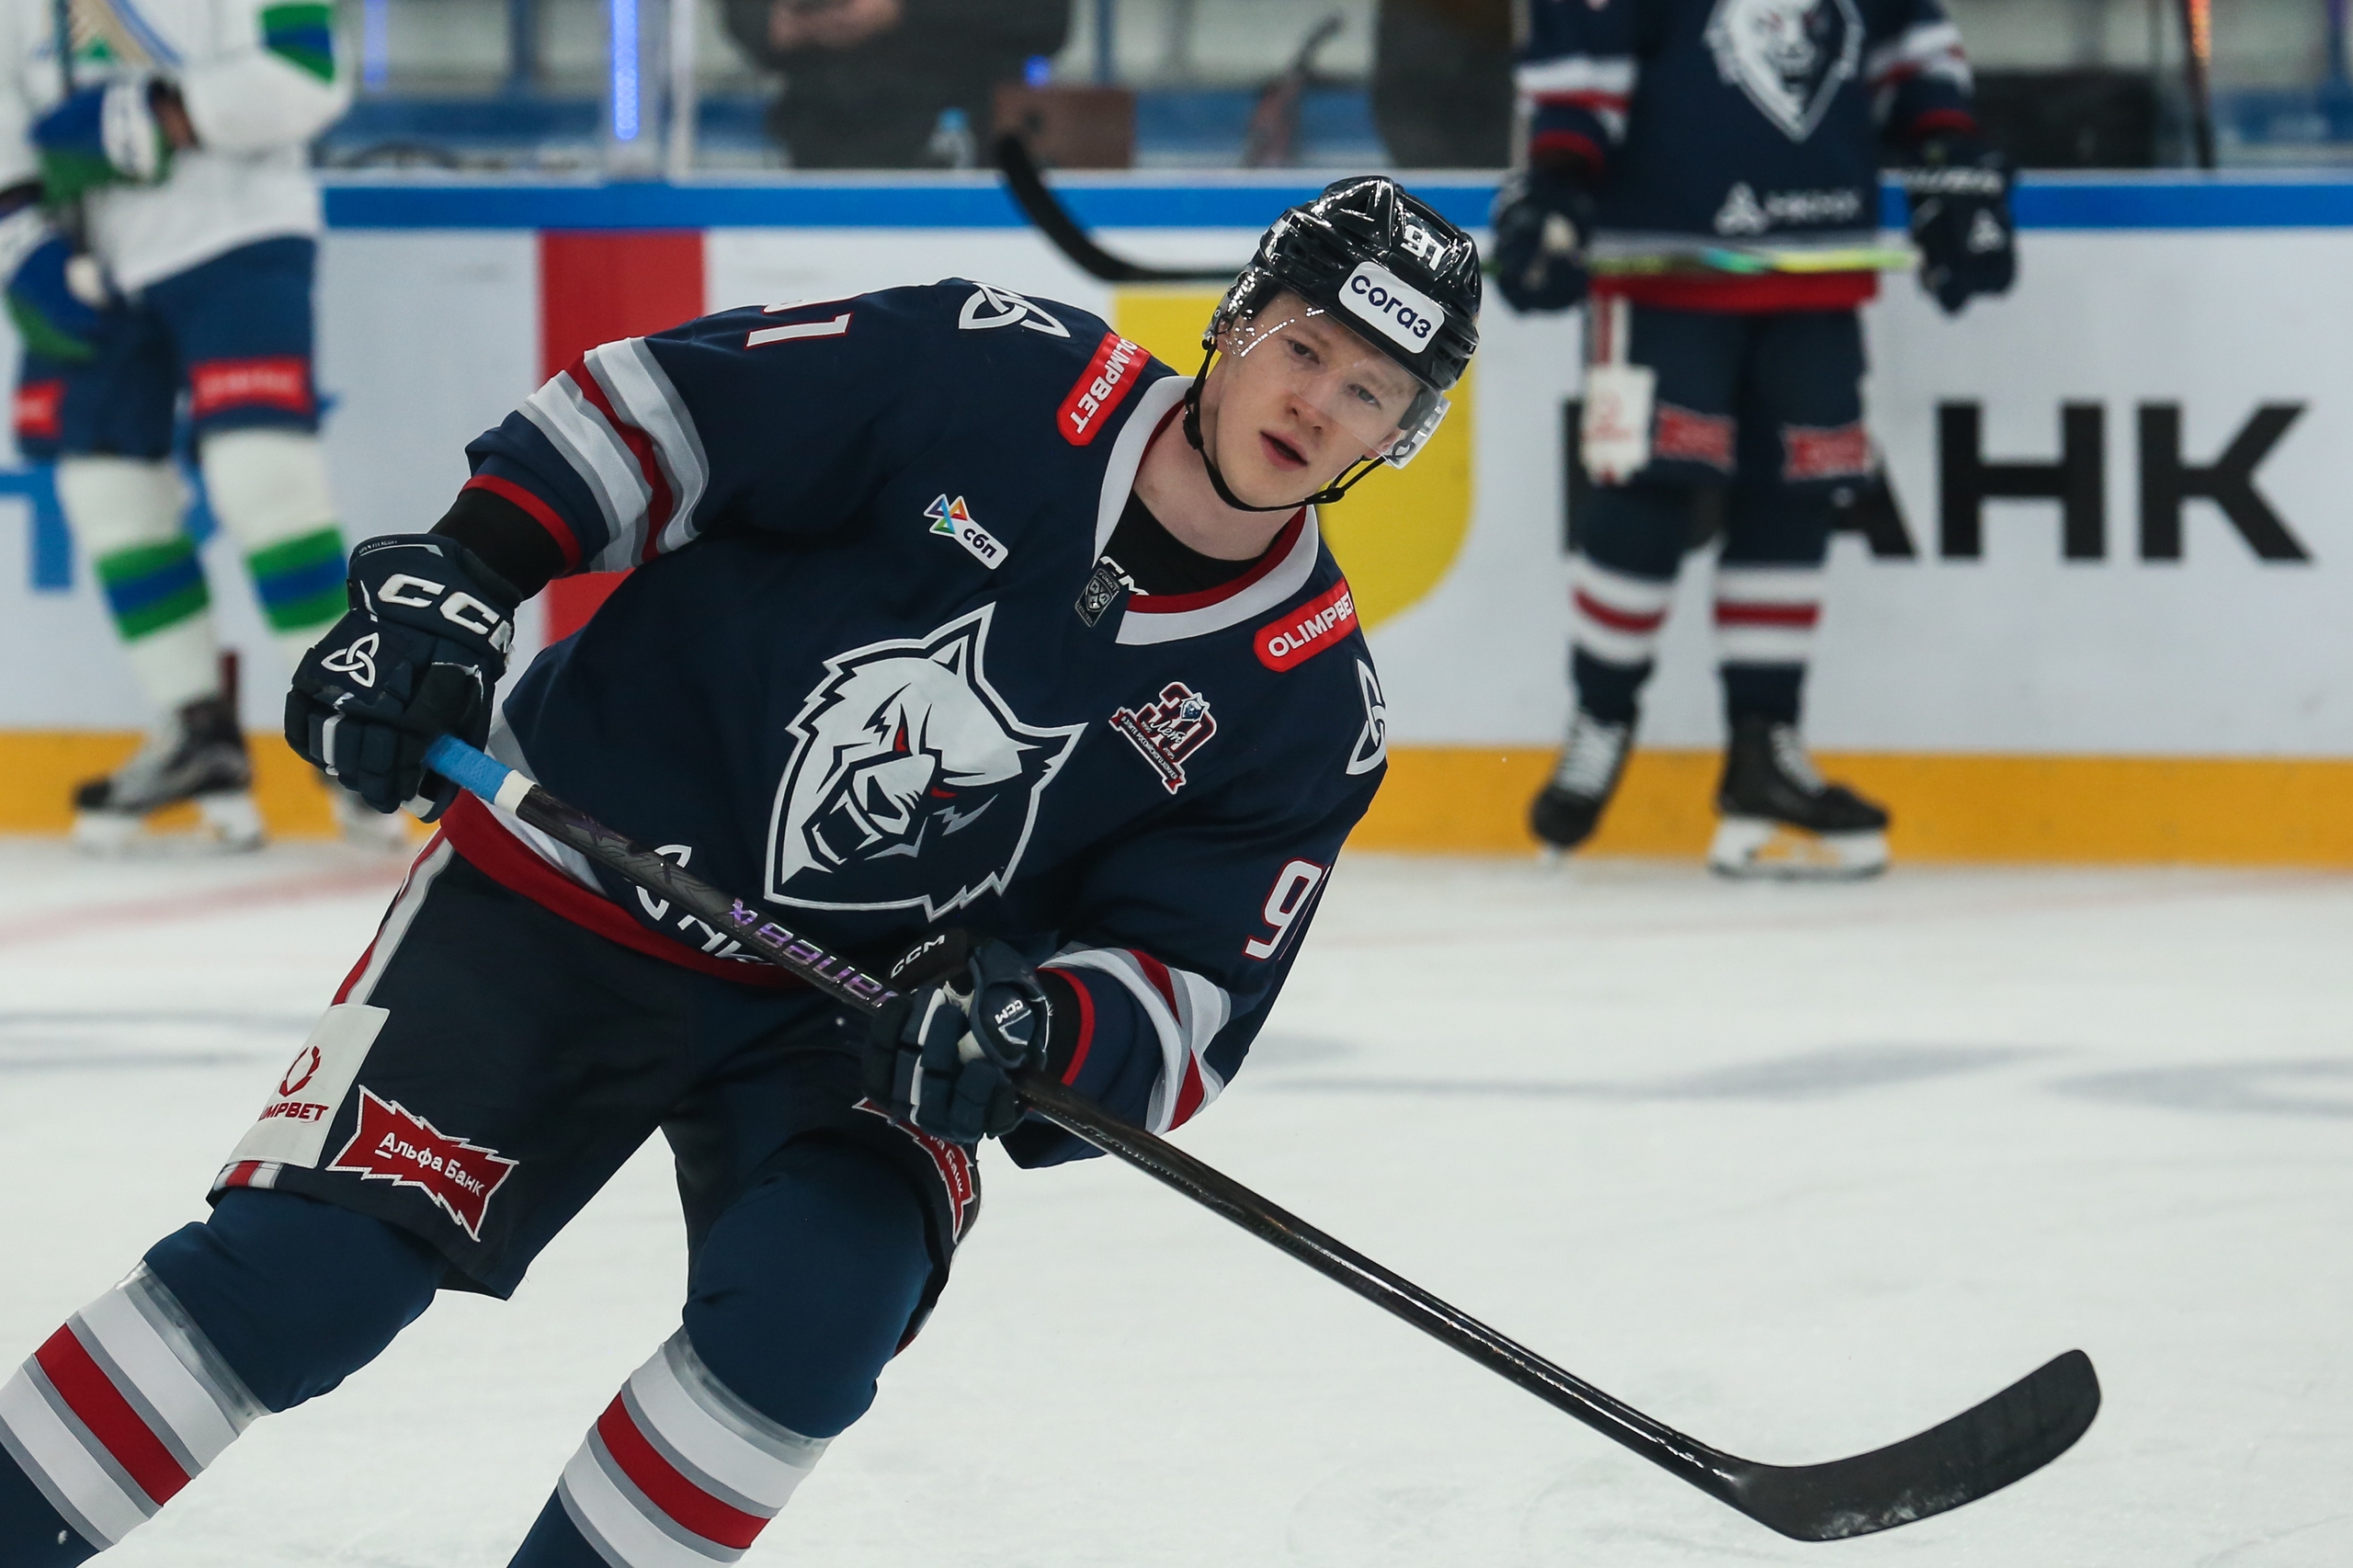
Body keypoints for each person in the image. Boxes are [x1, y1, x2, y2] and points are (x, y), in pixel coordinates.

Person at [0, 177, 1481, 1566]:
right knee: (306, 1276)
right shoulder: (988, 368)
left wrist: (1036, 1026)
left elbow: (1189, 986)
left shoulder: (1308, 702)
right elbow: (657, 413)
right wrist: (461, 578)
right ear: (1237, 318)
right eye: (1306, 346)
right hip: (565, 894)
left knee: (812, 1322)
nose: (1316, 403)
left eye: (1370, 391)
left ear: (1398, 436)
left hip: (855, 1024)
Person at [1493, 0, 2016, 877]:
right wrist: (1557, 179)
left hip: (1819, 270)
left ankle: (1763, 747)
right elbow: (1585, 62)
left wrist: (1950, 158)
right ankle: (1602, 716)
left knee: (1797, 499)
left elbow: (1910, 46)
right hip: (1663, 272)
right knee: (1647, 494)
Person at [0, 0, 383, 850]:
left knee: (262, 477)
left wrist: (167, 112)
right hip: (86, 250)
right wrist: (15, 230)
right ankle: (194, 730)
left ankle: (351, 725)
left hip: (238, 232)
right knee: (105, 486)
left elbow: (309, 71)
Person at [721, 0, 1069, 169]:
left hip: (969, 150)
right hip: (826, 144)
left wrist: (903, 10)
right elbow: (747, 14)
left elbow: (1047, 16)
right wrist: (778, 22)